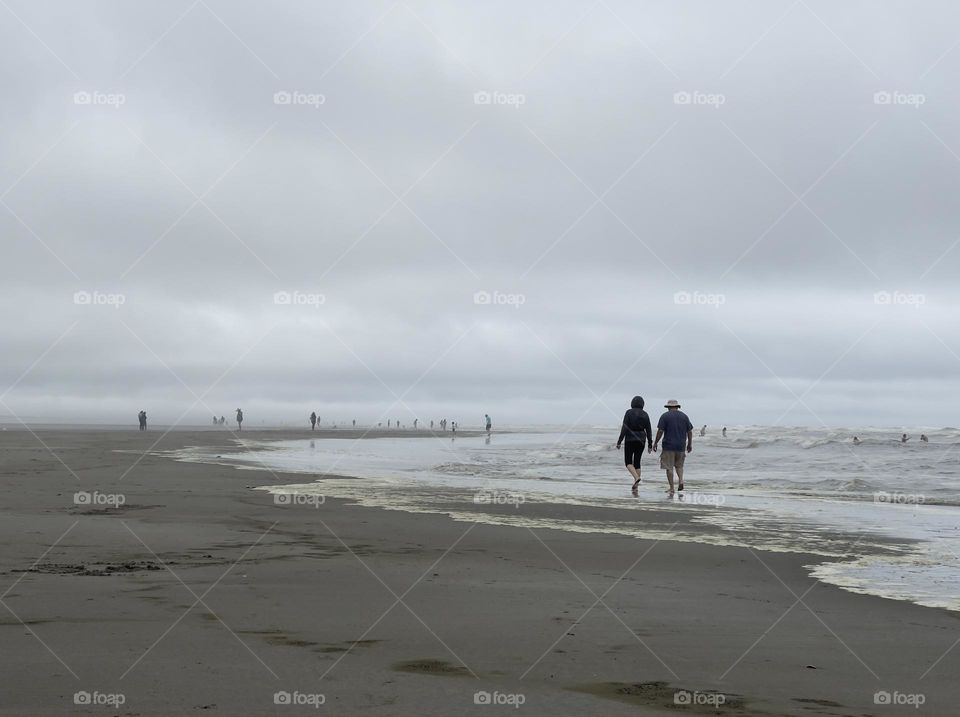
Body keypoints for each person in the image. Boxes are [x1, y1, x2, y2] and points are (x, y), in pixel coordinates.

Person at [654, 400, 693, 494]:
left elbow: (660, 431)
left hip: (668, 446)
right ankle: (681, 480)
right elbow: (690, 431)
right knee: (679, 466)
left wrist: (655, 442)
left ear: (668, 407)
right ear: (677, 407)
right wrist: (689, 444)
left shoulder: (665, 416)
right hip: (681, 446)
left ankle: (671, 488)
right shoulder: (684, 416)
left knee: (669, 467)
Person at [616, 396, 654, 491]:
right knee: (637, 462)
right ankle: (636, 485)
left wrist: (619, 441)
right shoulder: (645, 414)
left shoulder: (629, 412)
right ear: (643, 404)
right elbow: (649, 430)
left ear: (632, 403)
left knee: (628, 462)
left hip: (630, 438)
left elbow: (624, 428)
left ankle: (636, 478)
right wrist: (650, 444)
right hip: (641, 439)